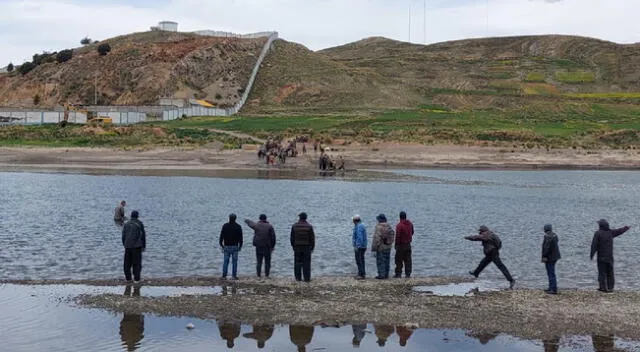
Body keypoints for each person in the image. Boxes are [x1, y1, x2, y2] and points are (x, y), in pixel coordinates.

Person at [590, 219, 630, 292]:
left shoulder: (598, 233)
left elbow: (594, 245)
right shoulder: (610, 232)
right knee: (610, 273)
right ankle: (610, 287)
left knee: (602, 272)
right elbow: (619, 231)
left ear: (600, 226)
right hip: (610, 257)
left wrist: (591, 254)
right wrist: (625, 228)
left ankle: (602, 287)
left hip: (601, 257)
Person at [122, 210, 146, 284]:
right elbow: (143, 236)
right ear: (137, 216)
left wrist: (125, 244)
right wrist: (144, 246)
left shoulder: (126, 224)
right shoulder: (139, 223)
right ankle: (137, 279)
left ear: (131, 216)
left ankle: (128, 278)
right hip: (137, 246)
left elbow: (123, 236)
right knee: (137, 264)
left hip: (127, 246)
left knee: (127, 263)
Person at [290, 212, 315, 282]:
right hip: (307, 247)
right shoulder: (309, 226)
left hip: (297, 246)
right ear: (306, 218)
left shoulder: (294, 226)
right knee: (306, 263)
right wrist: (312, 247)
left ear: (299, 218)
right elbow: (312, 239)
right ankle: (307, 278)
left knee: (297, 262)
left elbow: (292, 238)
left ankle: (298, 278)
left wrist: (293, 246)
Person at [219, 214, 243, 280]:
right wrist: (240, 246)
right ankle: (234, 276)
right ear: (235, 219)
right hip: (235, 246)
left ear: (229, 218)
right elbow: (241, 238)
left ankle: (224, 276)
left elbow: (221, 236)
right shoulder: (238, 226)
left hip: (226, 246)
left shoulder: (225, 226)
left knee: (225, 261)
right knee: (234, 262)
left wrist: (221, 244)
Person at [372, 214, 394, 279]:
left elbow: (376, 238)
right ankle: (386, 274)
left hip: (381, 247)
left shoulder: (378, 227)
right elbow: (392, 235)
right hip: (388, 247)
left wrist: (374, 248)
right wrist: (389, 243)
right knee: (387, 261)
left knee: (380, 261)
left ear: (379, 220)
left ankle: (381, 275)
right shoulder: (389, 226)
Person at [541, 224, 561, 294]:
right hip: (555, 256)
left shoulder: (548, 237)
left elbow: (546, 248)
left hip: (550, 258)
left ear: (545, 229)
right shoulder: (554, 235)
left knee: (550, 273)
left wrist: (544, 257)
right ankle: (551, 287)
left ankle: (553, 289)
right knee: (551, 272)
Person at [394, 211, 414, 278]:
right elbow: (413, 232)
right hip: (408, 244)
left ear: (400, 217)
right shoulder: (410, 224)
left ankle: (398, 274)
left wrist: (396, 244)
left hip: (401, 245)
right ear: (405, 216)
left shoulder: (399, 225)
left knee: (398, 260)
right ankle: (408, 274)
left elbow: (398, 236)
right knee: (408, 260)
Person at [352, 215, 367, 280]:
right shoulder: (361, 225)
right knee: (361, 260)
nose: (352, 221)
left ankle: (361, 274)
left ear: (355, 220)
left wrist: (357, 246)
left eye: (353, 220)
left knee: (359, 260)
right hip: (363, 246)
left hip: (360, 246)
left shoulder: (359, 227)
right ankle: (361, 273)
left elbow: (359, 237)